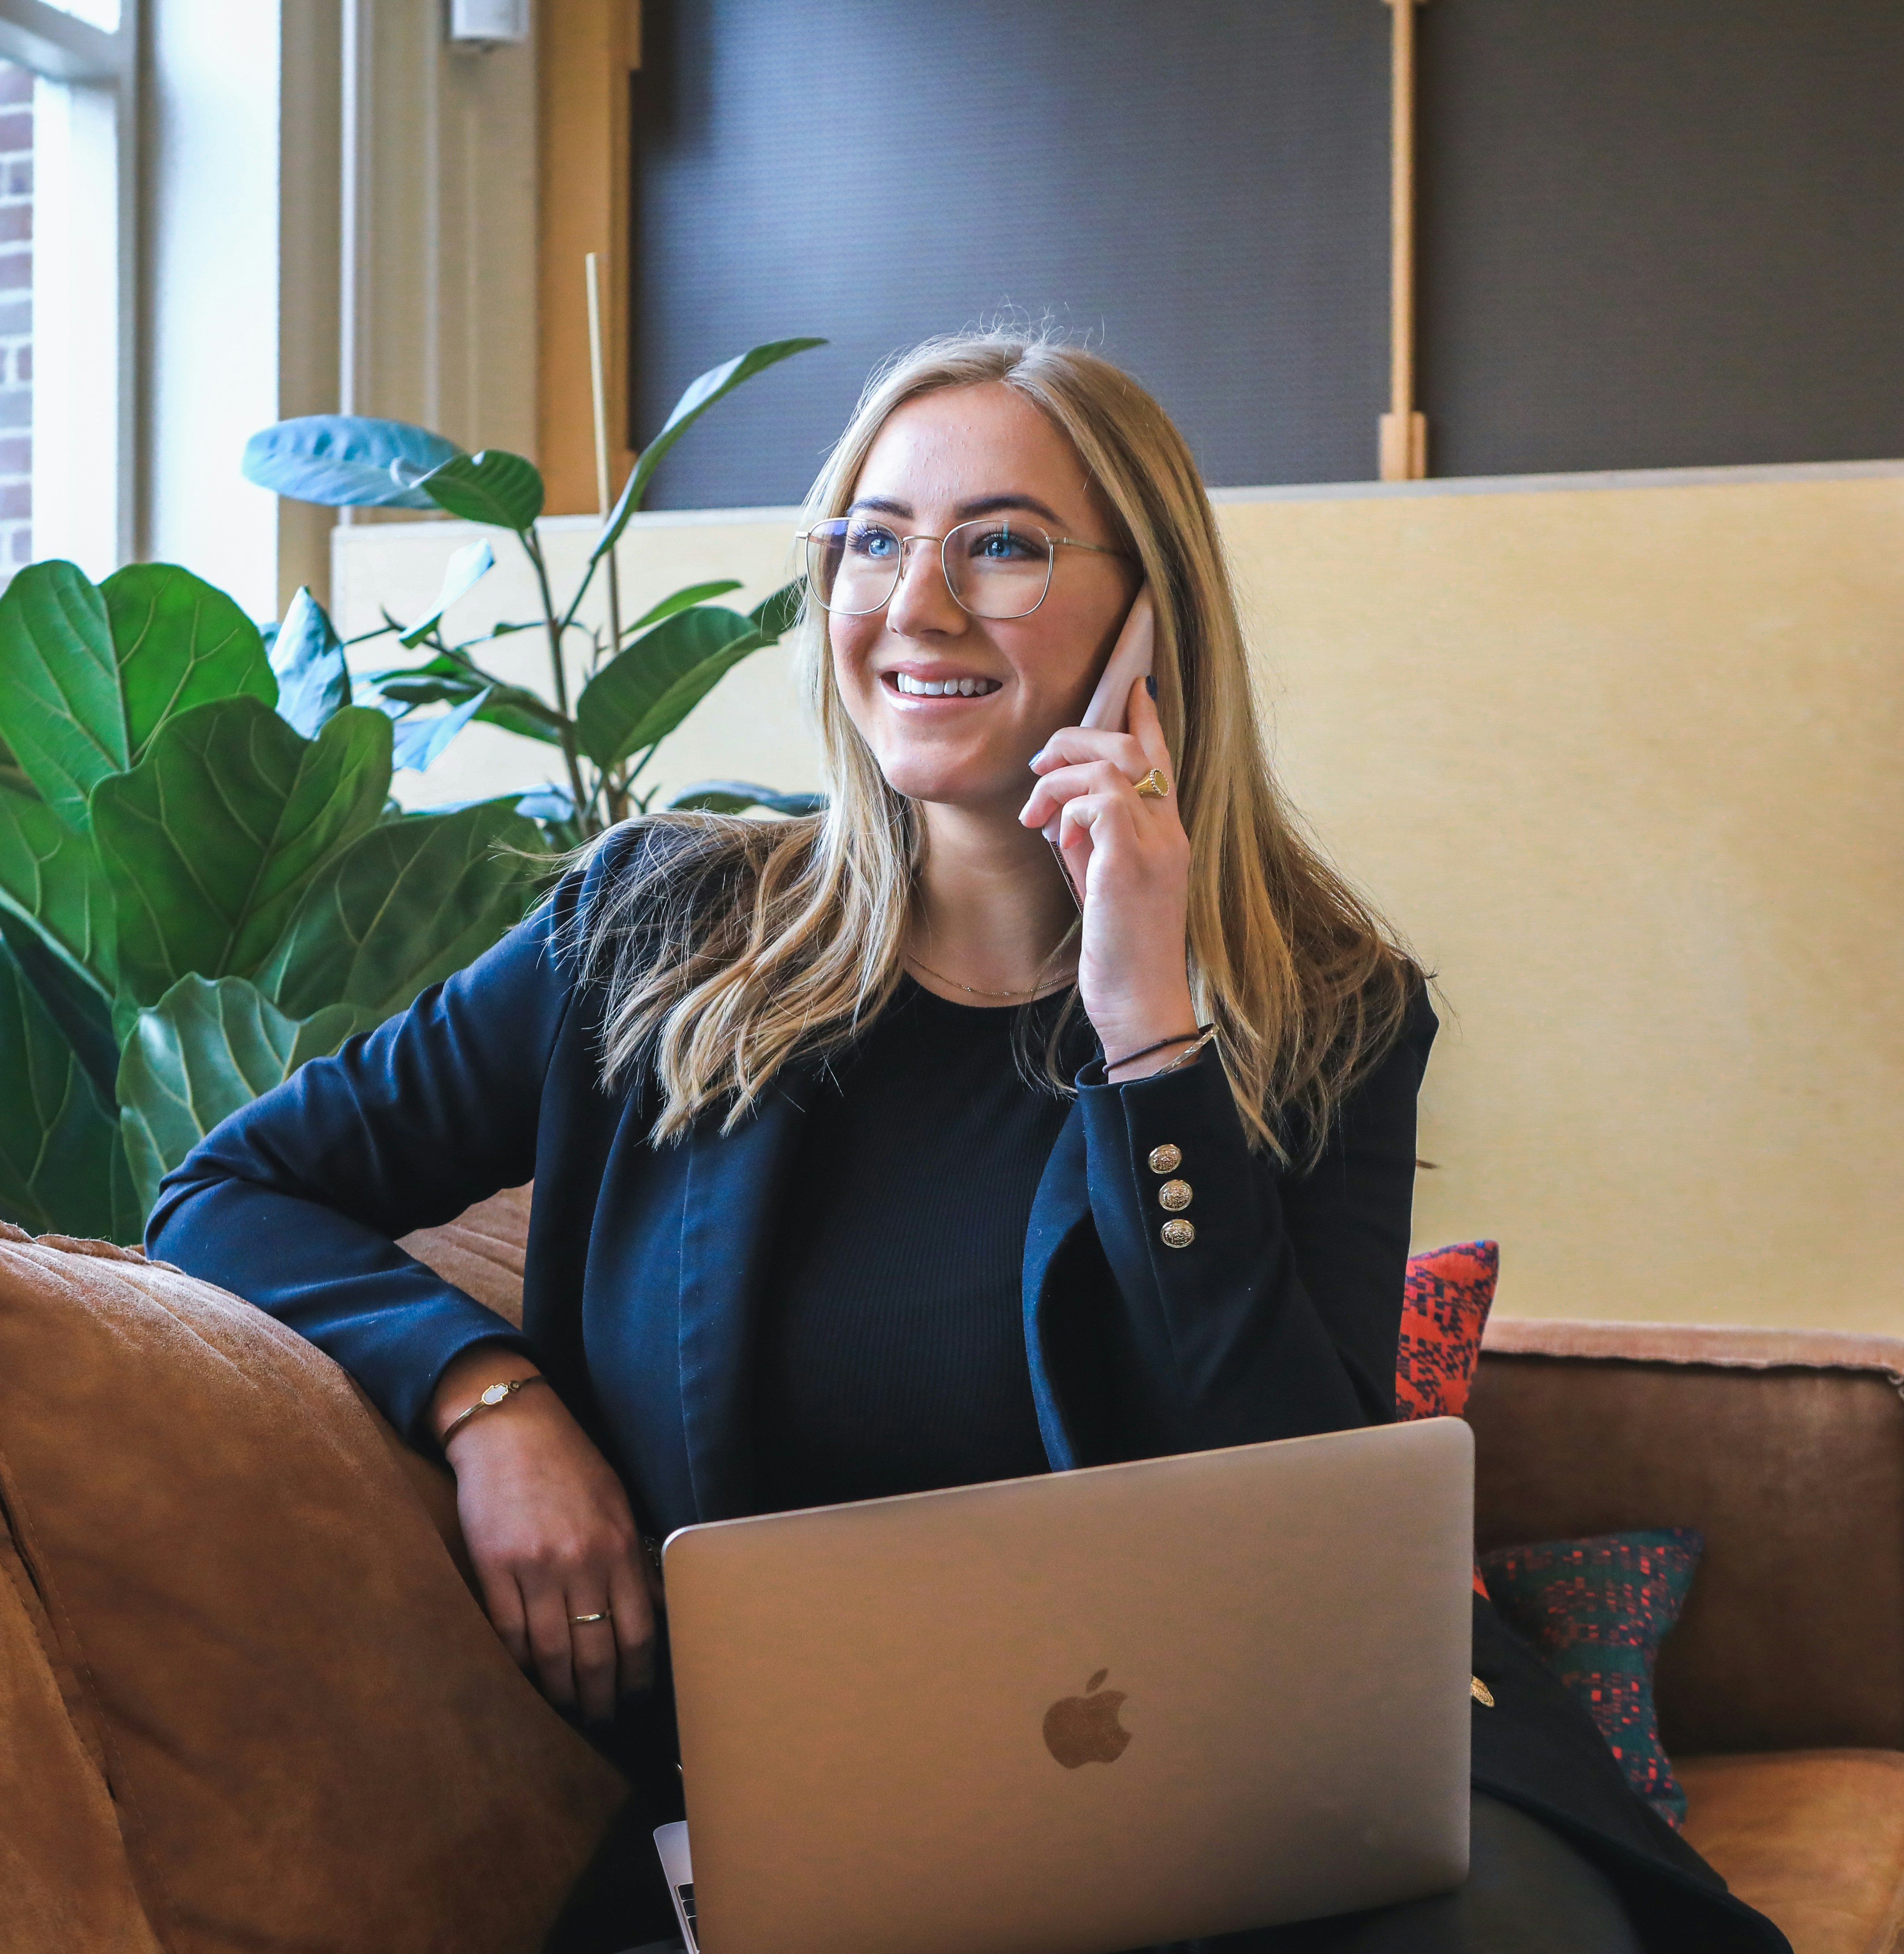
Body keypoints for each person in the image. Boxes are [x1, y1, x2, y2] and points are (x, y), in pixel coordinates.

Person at [148, 335, 1787, 1954]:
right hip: (819, 1822)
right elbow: (225, 1189)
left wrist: (1153, 1037)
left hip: (1258, 1786)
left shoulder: (1326, 1008)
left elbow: (1308, 1513)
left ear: (1153, 616)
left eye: (1001, 544)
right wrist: (486, 1401)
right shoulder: (654, 932)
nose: (916, 604)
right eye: (872, 538)